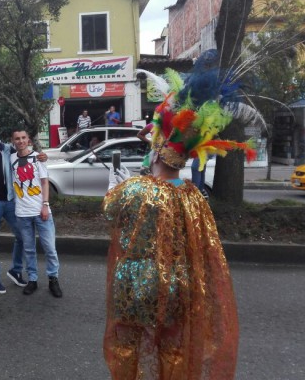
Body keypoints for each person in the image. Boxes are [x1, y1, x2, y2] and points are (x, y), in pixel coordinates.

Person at [101, 62, 256, 379]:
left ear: (156, 154)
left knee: (127, 345)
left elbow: (109, 209)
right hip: (176, 284)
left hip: (134, 280)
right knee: (173, 349)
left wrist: (115, 186)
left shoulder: (133, 190)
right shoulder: (194, 197)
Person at [0, 121, 47, 293]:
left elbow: (26, 153)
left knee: (22, 237)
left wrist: (42, 156)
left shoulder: (5, 149)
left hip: (11, 200)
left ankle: (16, 270)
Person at [10, 129, 62, 298]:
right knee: (29, 249)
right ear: (13, 141)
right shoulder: (11, 158)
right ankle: (32, 279)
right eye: (17, 138)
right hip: (22, 212)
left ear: (29, 139)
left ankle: (53, 278)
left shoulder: (38, 157)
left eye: (23, 138)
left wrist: (45, 205)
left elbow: (45, 182)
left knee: (50, 248)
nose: (20, 141)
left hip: (40, 211)